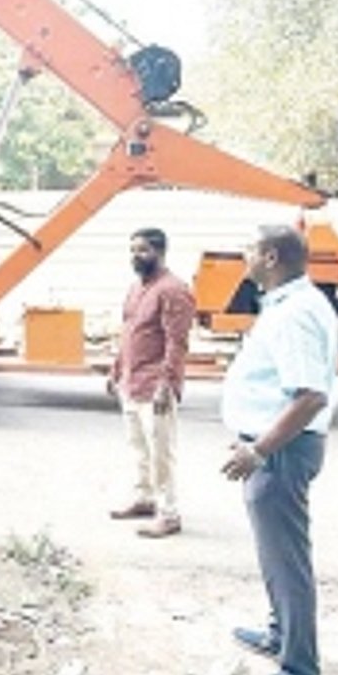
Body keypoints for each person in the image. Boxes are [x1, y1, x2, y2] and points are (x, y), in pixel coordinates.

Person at [220, 225, 338, 675]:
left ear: (270, 258)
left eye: (248, 248)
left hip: (283, 453)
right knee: (275, 554)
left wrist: (260, 450)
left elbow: (310, 396)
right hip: (272, 448)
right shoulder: (287, 305)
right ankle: (279, 633)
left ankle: (299, 665)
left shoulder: (296, 314)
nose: (242, 254)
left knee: (287, 560)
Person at [108, 227, 195, 539]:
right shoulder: (135, 288)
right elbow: (129, 330)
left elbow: (177, 342)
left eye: (143, 250)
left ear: (160, 252)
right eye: (133, 250)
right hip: (131, 381)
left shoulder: (173, 290)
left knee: (161, 452)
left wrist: (166, 384)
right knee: (138, 449)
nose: (136, 256)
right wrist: (116, 368)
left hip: (155, 385)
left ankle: (168, 513)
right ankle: (144, 499)